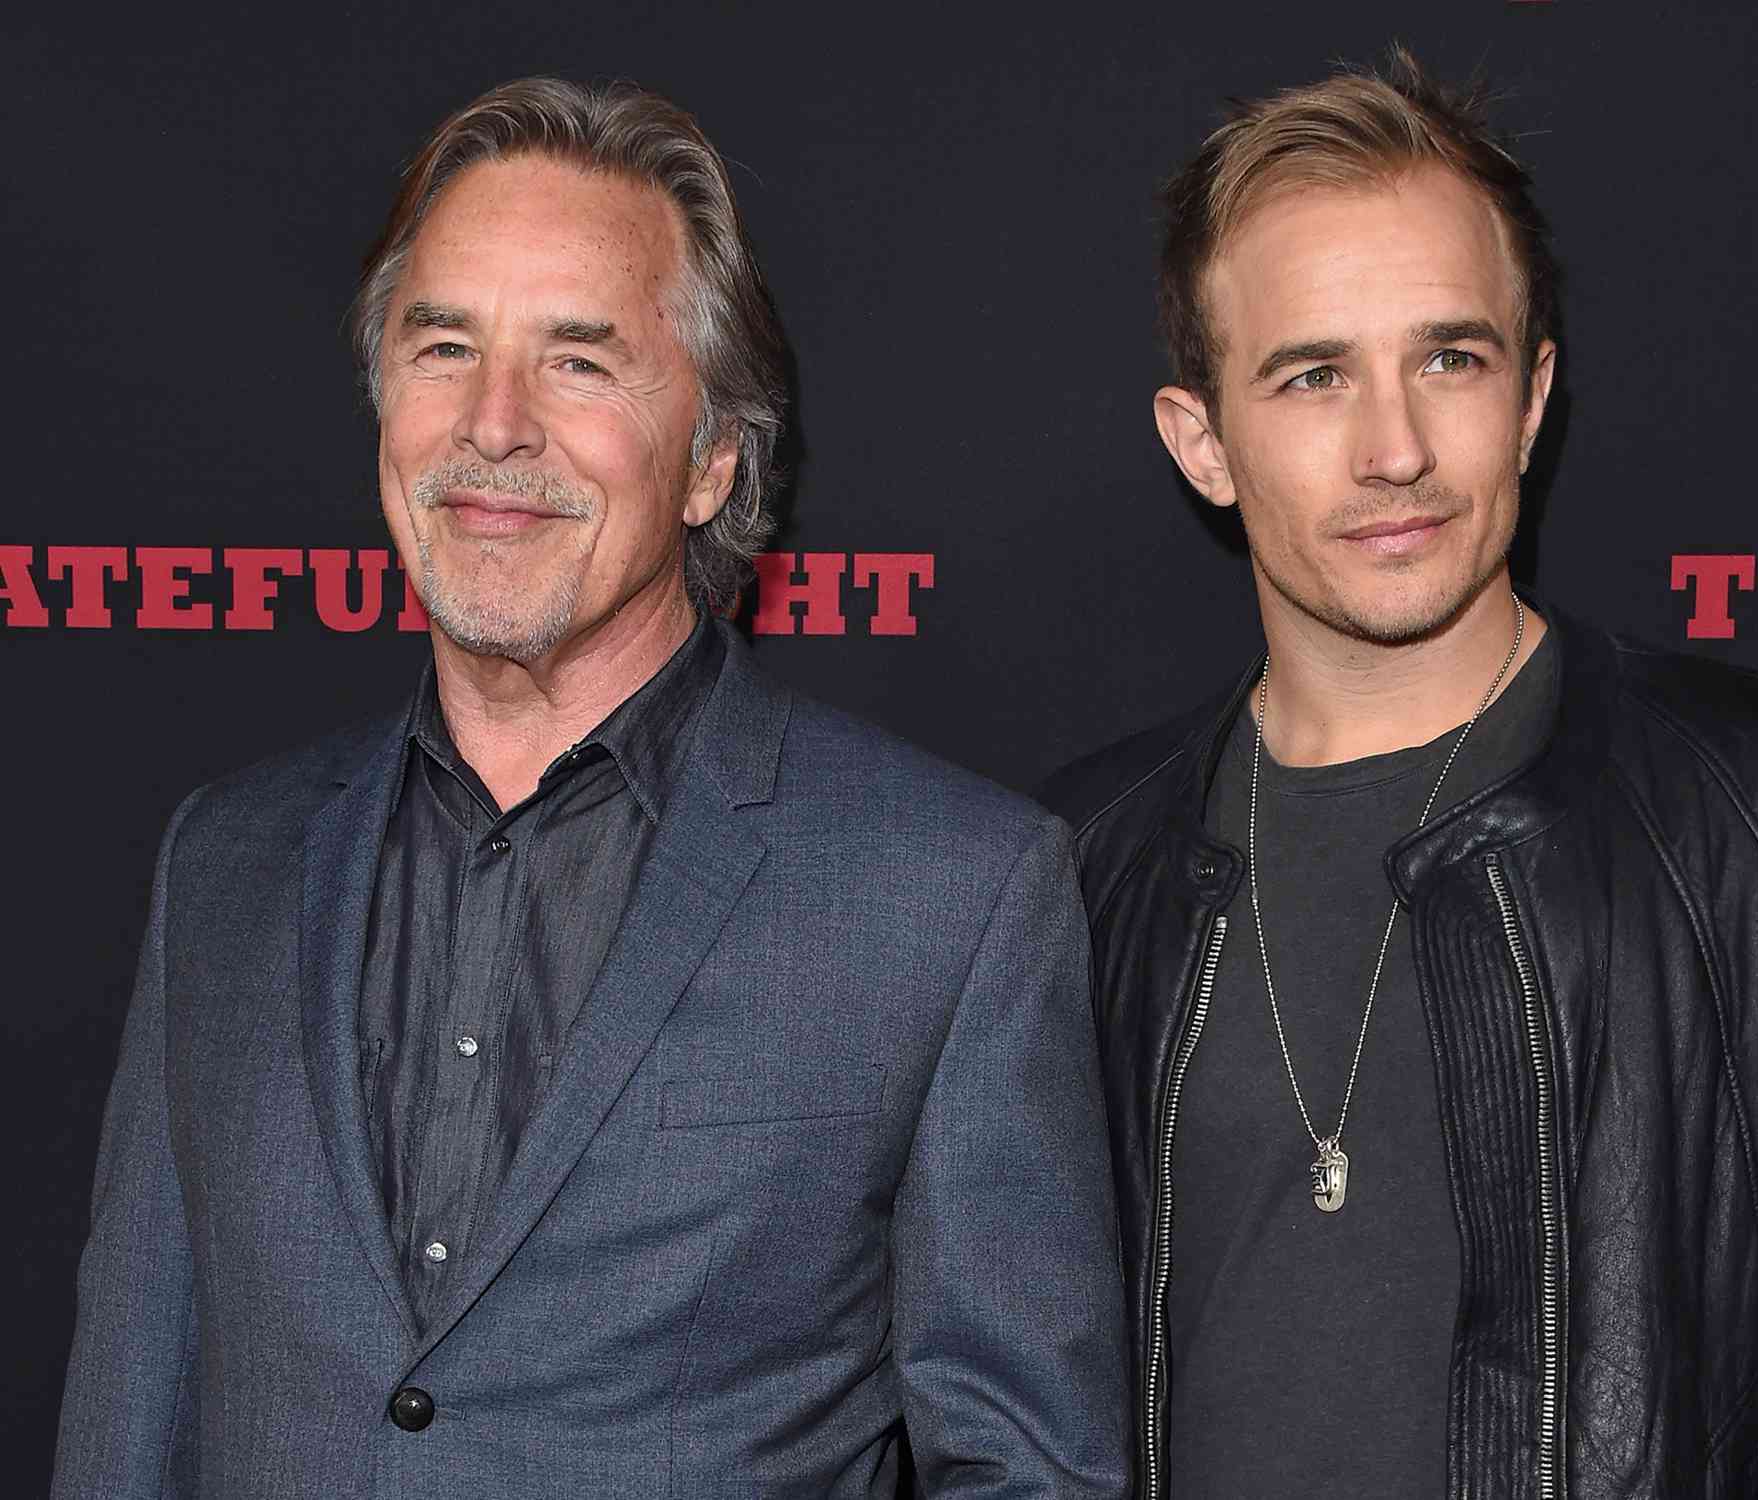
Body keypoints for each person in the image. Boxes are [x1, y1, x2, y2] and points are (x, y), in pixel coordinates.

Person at [53, 78, 1129, 1499]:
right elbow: (129, 1418)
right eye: (444, 347)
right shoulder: (227, 861)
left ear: (712, 460)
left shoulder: (949, 894)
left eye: (579, 361)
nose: (493, 426)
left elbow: (1029, 1472)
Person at [1041, 50, 1758, 1499]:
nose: (1397, 449)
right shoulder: (1074, 866)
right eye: (1313, 377)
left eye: (1452, 357)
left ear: (1534, 395)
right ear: (1205, 443)